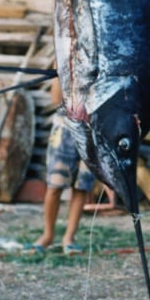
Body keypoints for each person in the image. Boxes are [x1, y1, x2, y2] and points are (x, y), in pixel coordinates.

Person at [27, 77, 95, 255]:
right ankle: (48, 235)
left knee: (82, 186)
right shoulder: (64, 54)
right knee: (54, 185)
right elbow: (56, 100)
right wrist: (59, 71)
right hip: (64, 129)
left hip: (93, 130)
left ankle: (69, 238)